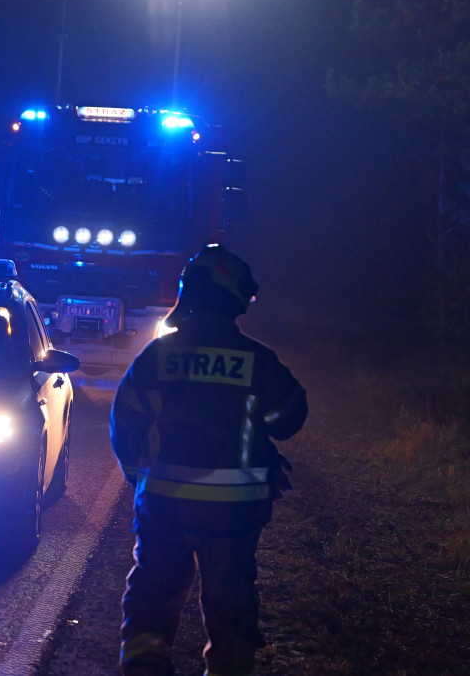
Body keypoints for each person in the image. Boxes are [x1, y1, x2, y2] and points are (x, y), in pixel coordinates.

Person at [110, 244, 308, 676]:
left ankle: (145, 666)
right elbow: (288, 417)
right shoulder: (258, 360)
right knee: (231, 599)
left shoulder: (155, 357)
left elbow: (124, 423)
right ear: (233, 295)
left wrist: (139, 479)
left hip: (163, 505)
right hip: (235, 514)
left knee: (154, 594)